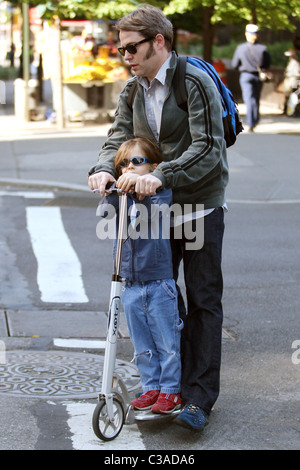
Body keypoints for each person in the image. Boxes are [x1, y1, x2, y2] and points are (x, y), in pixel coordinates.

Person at [88, 5, 228, 432]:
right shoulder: (133, 88)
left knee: (203, 300)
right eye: (121, 49)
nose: (125, 56)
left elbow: (208, 148)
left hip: (198, 205)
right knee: (165, 299)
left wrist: (160, 174)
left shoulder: (195, 81)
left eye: (132, 48)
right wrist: (104, 168)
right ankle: (172, 386)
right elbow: (117, 135)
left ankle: (199, 399)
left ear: (159, 42)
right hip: (153, 210)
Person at [97, 137, 182, 414]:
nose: (129, 167)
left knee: (166, 342)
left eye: (137, 161)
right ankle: (151, 386)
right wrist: (109, 191)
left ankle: (170, 391)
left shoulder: (160, 194)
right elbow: (104, 215)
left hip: (159, 283)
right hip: (129, 284)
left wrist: (138, 191)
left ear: (153, 167)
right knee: (142, 343)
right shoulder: (121, 198)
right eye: (123, 164)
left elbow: (151, 214)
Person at [232, 24, 271, 132]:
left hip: (245, 75)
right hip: (258, 76)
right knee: (256, 98)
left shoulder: (241, 48)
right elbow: (267, 63)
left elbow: (234, 64)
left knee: (248, 99)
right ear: (257, 35)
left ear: (246, 34)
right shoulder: (263, 48)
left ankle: (250, 122)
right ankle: (255, 120)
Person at [283, 36, 300, 114]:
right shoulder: (293, 52)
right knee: (292, 92)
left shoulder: (295, 54)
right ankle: (290, 109)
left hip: (295, 76)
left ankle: (292, 110)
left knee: (294, 92)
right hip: (292, 75)